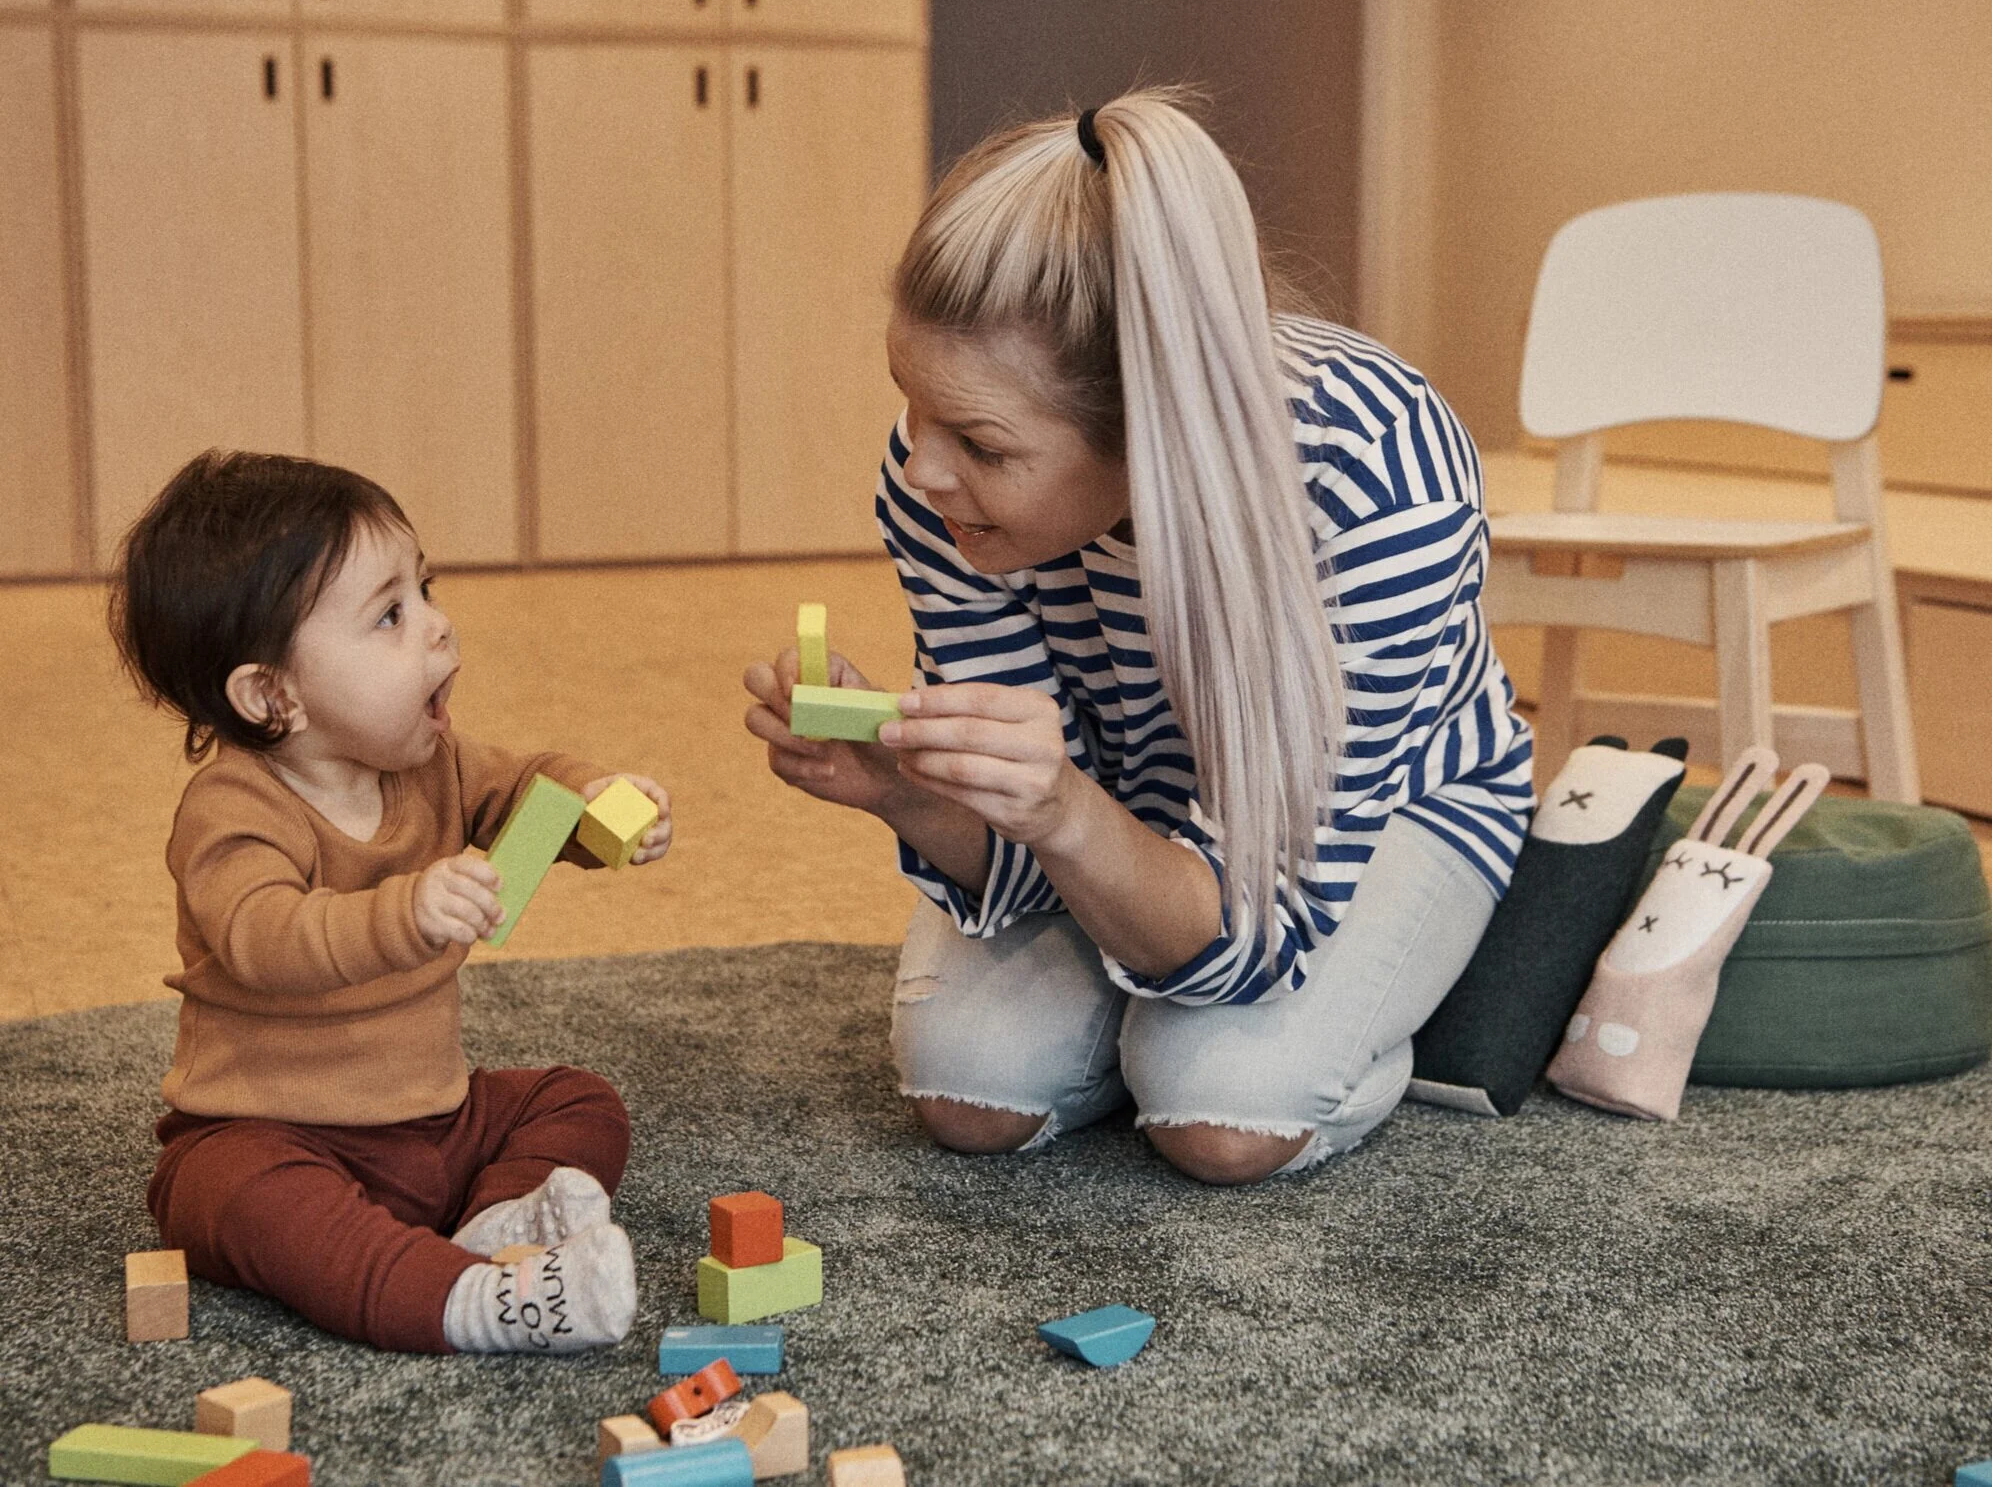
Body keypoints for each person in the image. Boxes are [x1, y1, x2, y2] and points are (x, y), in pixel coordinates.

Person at [745, 90, 1533, 1185]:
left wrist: (1065, 809)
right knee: (969, 1088)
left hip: (1389, 810)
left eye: (978, 440)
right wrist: (911, 791)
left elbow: (1260, 927)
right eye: (912, 407)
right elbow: (1020, 859)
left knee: (1220, 1111)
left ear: (1149, 434)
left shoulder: (1375, 483)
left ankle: (1382, 1003)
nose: (921, 468)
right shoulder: (940, 487)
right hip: (1124, 804)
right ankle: (1151, 990)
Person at [110, 451, 672, 1353]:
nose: (440, 629)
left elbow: (532, 788)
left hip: (435, 1126)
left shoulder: (429, 760)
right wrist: (403, 914)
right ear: (273, 696)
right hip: (267, 1131)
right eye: (390, 615)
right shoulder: (232, 809)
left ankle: (499, 1225)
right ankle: (467, 1303)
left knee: (579, 1100)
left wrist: (601, 800)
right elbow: (264, 938)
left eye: (427, 589)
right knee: (245, 1202)